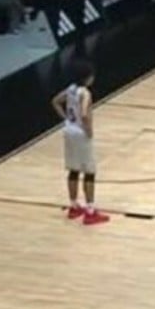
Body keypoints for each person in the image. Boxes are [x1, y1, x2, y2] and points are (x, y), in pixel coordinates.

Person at [50, 60, 109, 225]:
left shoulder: (71, 89)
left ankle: (74, 206)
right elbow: (84, 114)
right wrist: (88, 130)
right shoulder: (85, 93)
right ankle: (90, 211)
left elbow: (55, 101)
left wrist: (66, 119)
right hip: (80, 133)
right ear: (88, 77)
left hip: (69, 130)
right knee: (90, 172)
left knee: (74, 169)